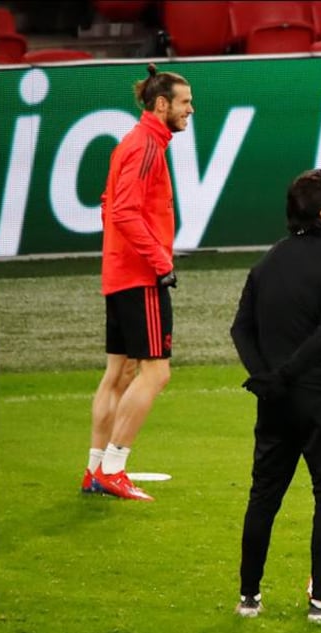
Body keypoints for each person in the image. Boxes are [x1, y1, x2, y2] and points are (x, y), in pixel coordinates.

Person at [229, 168, 321, 624]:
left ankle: (249, 599)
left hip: (273, 401)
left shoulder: (266, 263)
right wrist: (285, 373)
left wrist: (265, 376)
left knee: (263, 496)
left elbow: (240, 328)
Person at [82, 63, 193, 501]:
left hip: (118, 271)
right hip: (140, 275)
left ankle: (95, 470)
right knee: (155, 373)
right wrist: (159, 260)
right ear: (161, 104)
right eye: (184, 102)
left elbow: (109, 204)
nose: (191, 109)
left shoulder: (134, 143)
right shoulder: (147, 145)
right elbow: (124, 211)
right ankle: (114, 467)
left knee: (119, 373)